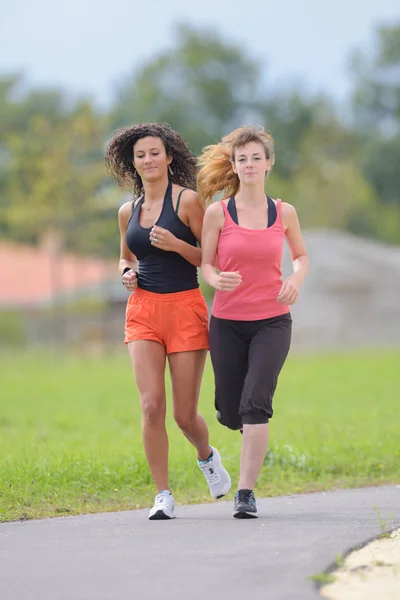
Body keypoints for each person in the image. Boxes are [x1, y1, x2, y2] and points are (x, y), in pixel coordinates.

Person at [105, 122, 231, 520]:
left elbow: (210, 259)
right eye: (140, 155)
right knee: (150, 405)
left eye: (154, 153)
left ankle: (207, 457)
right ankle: (163, 494)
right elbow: (127, 256)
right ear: (133, 164)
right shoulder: (128, 211)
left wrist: (177, 245)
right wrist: (126, 272)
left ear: (169, 156)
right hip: (143, 311)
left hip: (185, 309)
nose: (148, 160)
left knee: (182, 414)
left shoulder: (188, 202)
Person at [197, 125, 308, 519]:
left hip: (272, 323)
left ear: (268, 164)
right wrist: (215, 279)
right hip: (226, 323)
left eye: (256, 158)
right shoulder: (218, 213)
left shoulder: (284, 212)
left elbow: (300, 257)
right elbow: (205, 264)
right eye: (241, 159)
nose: (249, 165)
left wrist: (295, 278)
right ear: (234, 165)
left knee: (255, 404)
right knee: (230, 410)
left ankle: (245, 494)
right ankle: (242, 423)